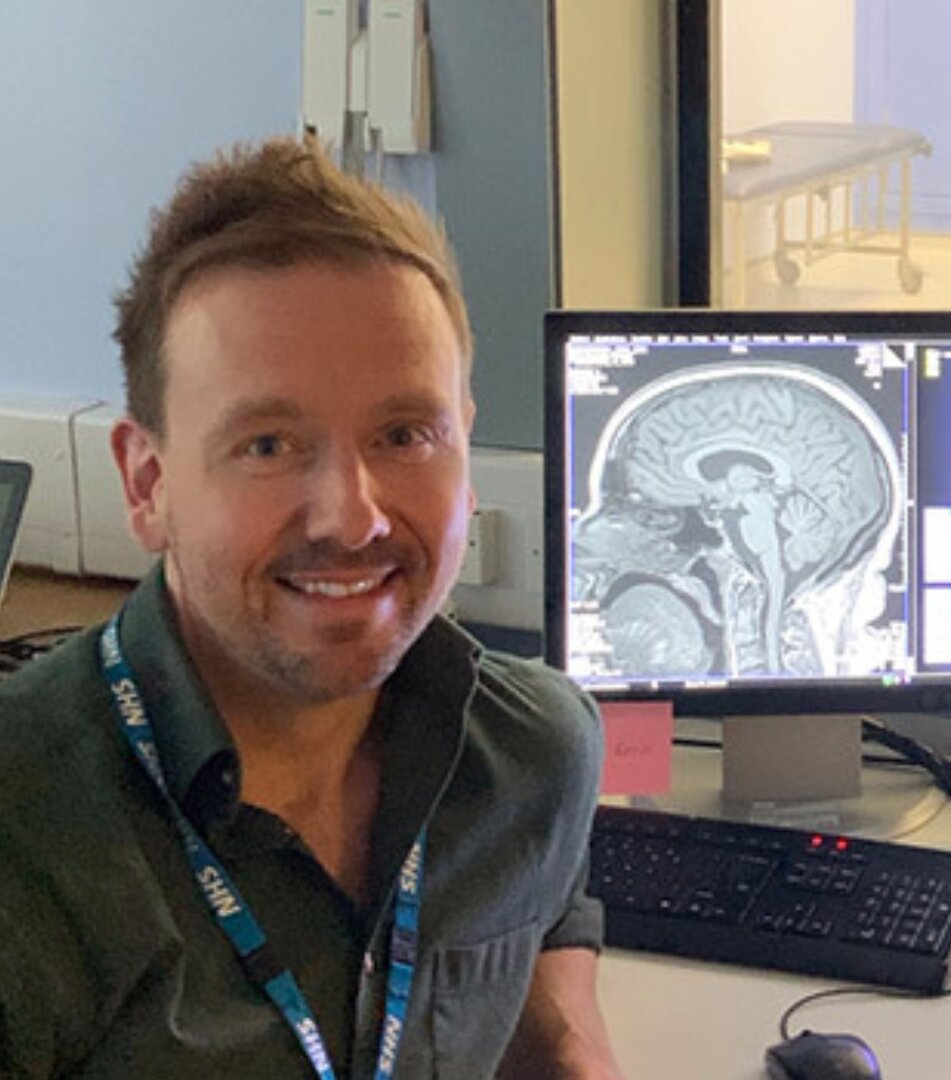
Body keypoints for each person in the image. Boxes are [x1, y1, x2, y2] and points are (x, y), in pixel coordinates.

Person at [0, 137, 624, 1079]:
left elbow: (546, 938)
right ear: (148, 482)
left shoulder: (537, 749)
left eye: (405, 433)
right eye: (268, 444)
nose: (354, 516)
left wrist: (571, 1046)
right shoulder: (23, 839)